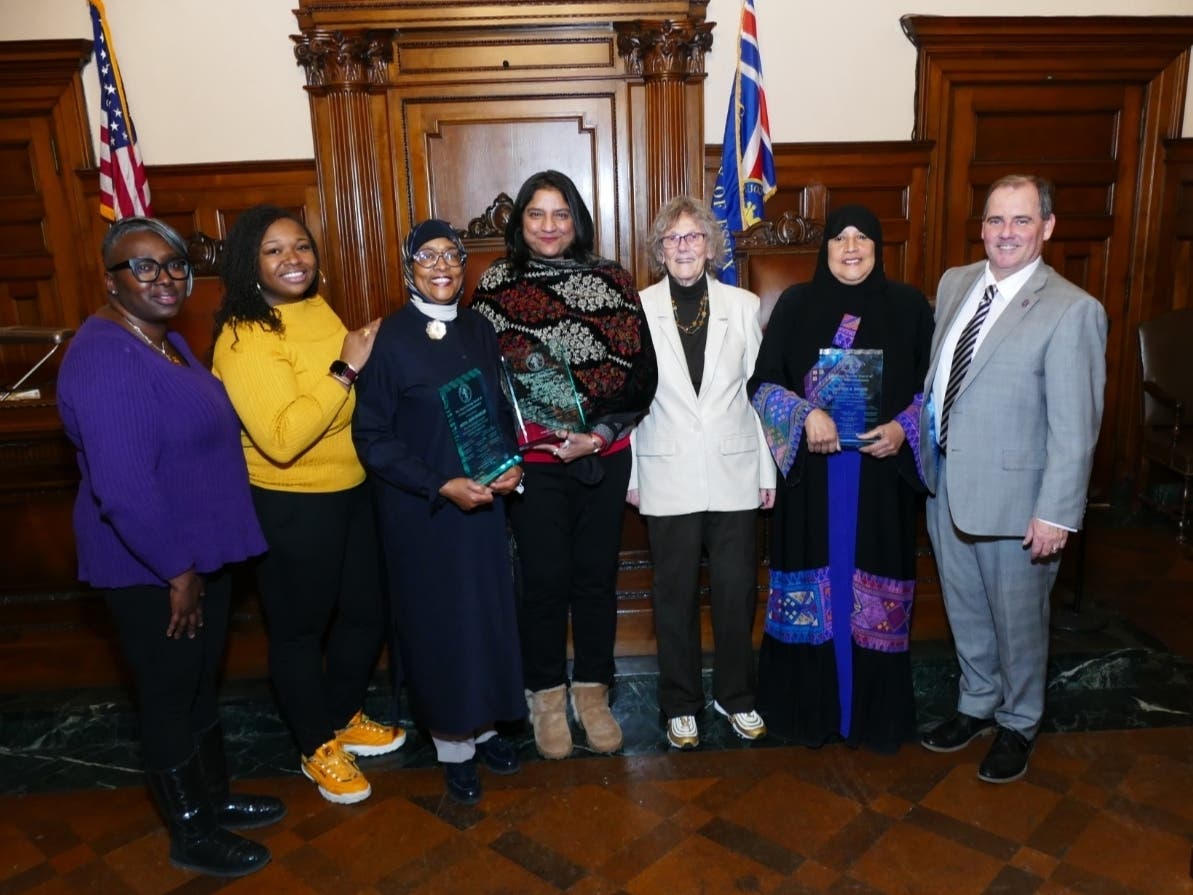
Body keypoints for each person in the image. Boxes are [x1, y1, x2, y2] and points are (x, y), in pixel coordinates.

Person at [57, 217, 280, 878]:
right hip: (152, 565)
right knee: (166, 694)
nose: (164, 277)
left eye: (175, 264)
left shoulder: (168, 340)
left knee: (197, 684)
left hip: (199, 554)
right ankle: (191, 832)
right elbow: (123, 487)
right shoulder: (104, 356)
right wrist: (177, 571)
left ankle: (213, 799)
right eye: (143, 266)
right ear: (111, 280)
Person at [918, 175, 1108, 783]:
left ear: (1046, 228)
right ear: (982, 227)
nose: (1006, 233)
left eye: (1021, 220)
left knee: (1018, 621)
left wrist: (1056, 513)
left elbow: (1077, 426)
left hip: (1019, 503)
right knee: (965, 608)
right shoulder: (956, 283)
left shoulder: (1073, 309)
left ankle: (1020, 720)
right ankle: (977, 702)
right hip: (946, 485)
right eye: (996, 220)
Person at [211, 205, 402, 805]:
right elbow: (284, 437)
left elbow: (344, 401)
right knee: (299, 631)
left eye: (301, 246)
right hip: (290, 501)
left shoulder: (316, 309)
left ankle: (341, 714)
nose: (293, 259)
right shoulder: (245, 336)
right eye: (274, 250)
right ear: (249, 263)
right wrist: (346, 368)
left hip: (353, 487)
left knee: (366, 613)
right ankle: (314, 744)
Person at [471, 170, 657, 760]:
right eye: (536, 214)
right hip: (534, 465)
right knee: (544, 582)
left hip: (603, 454)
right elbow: (480, 384)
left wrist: (595, 436)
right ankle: (546, 697)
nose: (549, 226)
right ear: (520, 222)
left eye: (560, 214)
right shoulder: (495, 286)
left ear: (577, 220)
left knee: (596, 579)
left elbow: (641, 376)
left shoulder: (613, 280)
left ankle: (594, 693)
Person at [748, 205, 934, 754]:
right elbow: (763, 383)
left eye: (862, 237)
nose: (851, 247)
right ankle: (809, 714)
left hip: (881, 480)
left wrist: (903, 429)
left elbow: (936, 390)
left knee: (876, 590)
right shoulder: (796, 304)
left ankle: (873, 718)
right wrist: (805, 415)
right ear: (824, 248)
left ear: (878, 247)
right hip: (813, 481)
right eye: (839, 238)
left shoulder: (909, 307)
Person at [352, 219, 527, 805]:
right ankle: (454, 748)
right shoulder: (389, 339)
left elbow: (497, 411)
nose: (442, 266)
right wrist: (439, 484)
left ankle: (485, 728)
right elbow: (371, 437)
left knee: (485, 619)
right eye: (427, 256)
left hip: (482, 510)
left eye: (451, 254)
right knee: (441, 627)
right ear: (409, 268)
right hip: (423, 514)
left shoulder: (480, 328)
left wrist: (511, 465)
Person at [627, 195, 774, 750]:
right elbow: (632, 402)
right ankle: (680, 703)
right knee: (674, 596)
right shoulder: (638, 309)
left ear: (711, 246)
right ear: (659, 250)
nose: (683, 247)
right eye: (673, 238)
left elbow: (760, 394)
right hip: (666, 472)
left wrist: (766, 471)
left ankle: (736, 696)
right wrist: (632, 476)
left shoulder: (744, 305)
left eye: (693, 237)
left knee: (736, 592)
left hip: (736, 470)